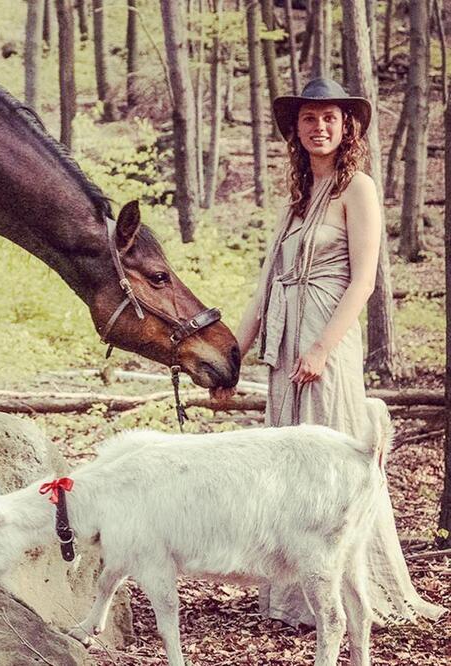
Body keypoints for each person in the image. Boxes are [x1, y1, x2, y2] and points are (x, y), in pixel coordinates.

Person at [213, 78, 446, 626]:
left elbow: (363, 280)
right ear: (295, 130)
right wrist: (233, 357)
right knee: (287, 467)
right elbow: (265, 291)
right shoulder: (295, 203)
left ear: (348, 129)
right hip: (287, 341)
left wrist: (321, 348)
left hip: (327, 340)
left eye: (330, 119)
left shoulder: (357, 189)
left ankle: (351, 596)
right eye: (309, 119)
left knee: (334, 464)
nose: (319, 127)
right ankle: (295, 596)